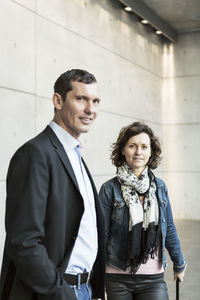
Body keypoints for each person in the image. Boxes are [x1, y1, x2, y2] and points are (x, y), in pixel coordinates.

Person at [0, 69, 106, 300]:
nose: (91, 109)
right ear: (58, 100)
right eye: (81, 99)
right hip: (54, 293)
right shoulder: (35, 154)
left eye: (95, 101)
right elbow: (24, 243)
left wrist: (96, 286)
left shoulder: (74, 155)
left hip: (85, 290)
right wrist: (64, 294)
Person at [99, 122, 187, 300]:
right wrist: (97, 280)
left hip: (153, 278)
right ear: (123, 150)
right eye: (132, 146)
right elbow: (101, 235)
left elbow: (169, 228)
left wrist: (179, 264)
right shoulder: (109, 189)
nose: (138, 151)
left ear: (151, 152)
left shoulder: (160, 187)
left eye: (144, 147)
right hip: (116, 277)